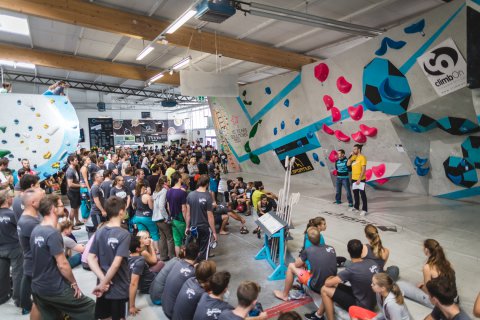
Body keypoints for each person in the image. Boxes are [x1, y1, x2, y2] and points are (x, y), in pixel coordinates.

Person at [30, 194, 95, 319]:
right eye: (60, 205)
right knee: (90, 308)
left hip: (38, 286)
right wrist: (74, 284)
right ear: (53, 209)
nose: (64, 208)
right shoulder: (52, 233)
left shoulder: (36, 230)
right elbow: (63, 264)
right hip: (54, 287)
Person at [305, 239, 379, 320]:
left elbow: (327, 283)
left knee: (324, 289)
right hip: (372, 302)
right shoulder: (373, 263)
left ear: (348, 251)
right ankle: (318, 314)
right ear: (362, 250)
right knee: (336, 285)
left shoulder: (351, 269)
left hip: (361, 306)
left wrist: (330, 277)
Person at [88, 196, 132, 320]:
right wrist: (105, 282)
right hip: (118, 286)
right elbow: (116, 264)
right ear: (121, 211)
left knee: (105, 316)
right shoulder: (124, 234)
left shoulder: (100, 231)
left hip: (103, 285)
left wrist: (102, 280)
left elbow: (90, 258)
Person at [274, 227, 337, 301]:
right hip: (331, 283)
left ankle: (284, 295)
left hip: (316, 286)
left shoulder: (308, 250)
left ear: (309, 240)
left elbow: (297, 265)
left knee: (291, 266)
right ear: (320, 237)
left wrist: (302, 261)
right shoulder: (331, 248)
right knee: (306, 266)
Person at [397, 239, 456, 309]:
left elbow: (427, 290)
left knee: (400, 284)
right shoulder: (447, 263)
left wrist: (422, 287)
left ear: (426, 250)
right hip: (451, 298)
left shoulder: (428, 267)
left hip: (437, 302)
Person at [17, 188, 44, 317]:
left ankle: (25, 305)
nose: (44, 201)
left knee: (27, 279)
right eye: (41, 199)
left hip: (30, 259)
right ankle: (27, 306)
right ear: (33, 203)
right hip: (34, 261)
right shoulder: (29, 222)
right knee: (39, 299)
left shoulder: (30, 217)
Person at [162, 241, 199, 319]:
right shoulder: (192, 273)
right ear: (198, 255)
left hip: (165, 305)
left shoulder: (177, 263)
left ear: (185, 253)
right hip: (173, 313)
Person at [186, 175, 217, 261]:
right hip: (204, 227)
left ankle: (195, 266)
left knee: (196, 247)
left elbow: (188, 214)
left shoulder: (190, 195)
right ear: (207, 184)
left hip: (193, 227)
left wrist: (187, 227)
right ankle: (202, 270)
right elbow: (210, 216)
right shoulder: (208, 196)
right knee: (204, 250)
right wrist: (214, 232)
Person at [0, 190, 23, 307]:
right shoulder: (11, 214)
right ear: (7, 199)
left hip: (1, 248)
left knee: (2, 273)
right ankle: (19, 300)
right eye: (11, 197)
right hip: (14, 248)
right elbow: (20, 230)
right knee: (17, 274)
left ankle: (2, 297)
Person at [128, 235, 158, 316]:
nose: (144, 244)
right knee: (170, 264)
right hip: (151, 285)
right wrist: (132, 306)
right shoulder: (140, 260)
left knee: (160, 266)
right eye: (142, 243)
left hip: (146, 282)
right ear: (137, 249)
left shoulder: (128, 257)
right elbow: (133, 283)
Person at [132, 182, 159, 251]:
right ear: (143, 188)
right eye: (145, 187)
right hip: (147, 217)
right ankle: (157, 250)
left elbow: (133, 207)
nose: (146, 189)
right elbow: (151, 207)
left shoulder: (135, 196)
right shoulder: (146, 196)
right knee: (154, 233)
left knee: (142, 234)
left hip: (137, 217)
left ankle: (143, 249)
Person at [153, 177, 175, 261]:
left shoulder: (156, 191)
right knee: (170, 238)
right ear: (165, 182)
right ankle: (172, 257)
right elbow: (161, 206)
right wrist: (167, 217)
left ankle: (163, 256)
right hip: (162, 218)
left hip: (156, 218)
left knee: (162, 237)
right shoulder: (164, 191)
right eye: (168, 181)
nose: (169, 182)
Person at [167, 172, 188, 257]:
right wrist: (187, 222)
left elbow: (168, 207)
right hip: (181, 219)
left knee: (177, 242)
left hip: (173, 218)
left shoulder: (169, 191)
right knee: (185, 241)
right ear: (179, 179)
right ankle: (186, 258)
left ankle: (179, 259)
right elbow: (184, 209)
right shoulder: (182, 192)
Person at [347, 144, 368, 215]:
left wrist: (359, 179)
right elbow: (347, 164)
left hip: (361, 179)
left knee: (362, 194)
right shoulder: (354, 157)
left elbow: (363, 169)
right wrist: (350, 156)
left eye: (355, 149)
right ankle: (356, 207)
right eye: (353, 149)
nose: (353, 150)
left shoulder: (362, 157)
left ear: (359, 149)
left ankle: (364, 209)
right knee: (355, 194)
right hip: (353, 179)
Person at [65, 155, 82, 227]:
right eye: (75, 160)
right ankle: (71, 225)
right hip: (72, 192)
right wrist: (80, 185)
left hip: (76, 191)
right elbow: (70, 184)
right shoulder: (70, 171)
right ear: (71, 162)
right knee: (73, 208)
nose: (77, 161)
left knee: (77, 207)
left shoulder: (74, 168)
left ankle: (77, 221)